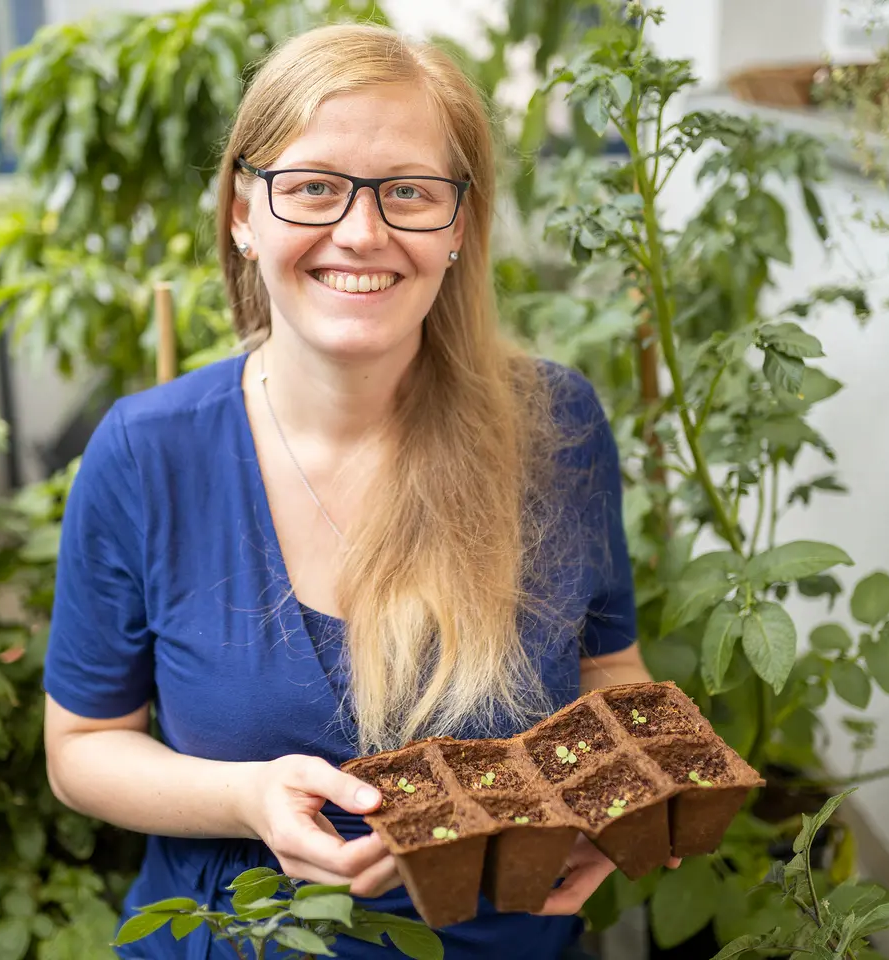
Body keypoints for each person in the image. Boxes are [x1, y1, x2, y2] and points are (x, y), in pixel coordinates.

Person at [43, 21, 671, 960]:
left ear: (459, 223)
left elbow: (607, 675)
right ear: (243, 215)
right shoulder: (146, 454)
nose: (362, 231)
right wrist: (243, 797)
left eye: (409, 192)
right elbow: (83, 746)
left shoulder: (556, 427)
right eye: (312, 188)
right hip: (238, 940)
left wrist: (617, 802)